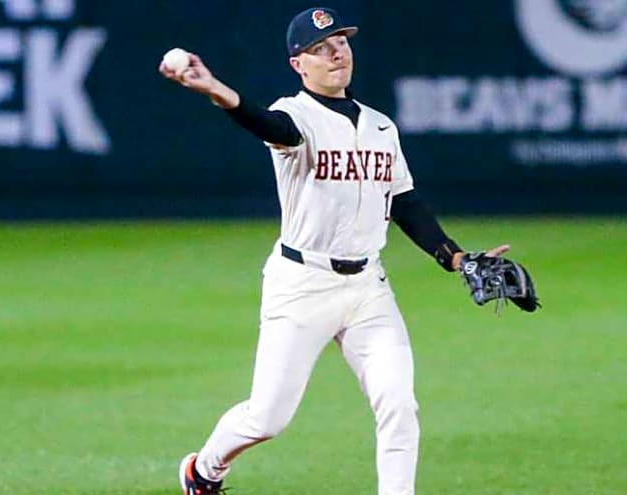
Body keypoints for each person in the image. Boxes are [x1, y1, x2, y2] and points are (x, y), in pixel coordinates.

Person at [159, 7, 510, 495]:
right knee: (268, 417)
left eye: (340, 43)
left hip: (368, 287)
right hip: (302, 284)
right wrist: (217, 91)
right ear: (298, 64)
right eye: (320, 48)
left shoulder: (381, 127)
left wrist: (455, 257)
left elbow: (404, 201)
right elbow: (268, 126)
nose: (335, 53)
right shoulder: (295, 115)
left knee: (398, 405)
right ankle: (204, 470)